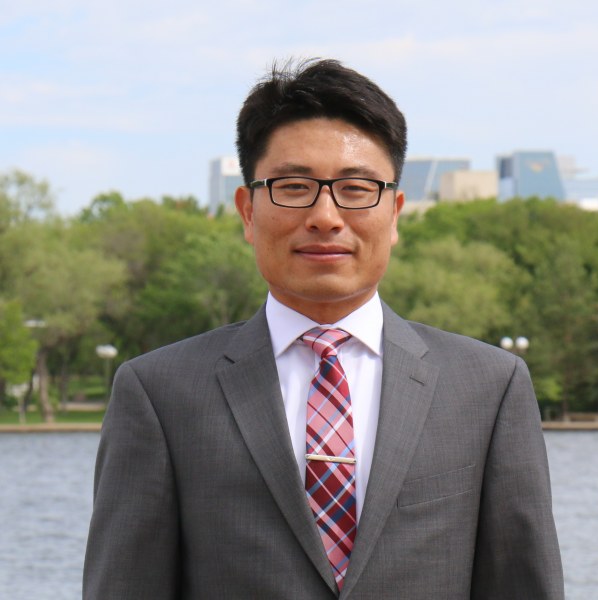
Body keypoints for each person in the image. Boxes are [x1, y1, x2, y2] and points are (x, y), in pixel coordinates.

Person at [83, 58, 564, 600]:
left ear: (396, 212)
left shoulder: (488, 388)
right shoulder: (159, 394)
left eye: (357, 189)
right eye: (293, 186)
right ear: (247, 211)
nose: (326, 216)